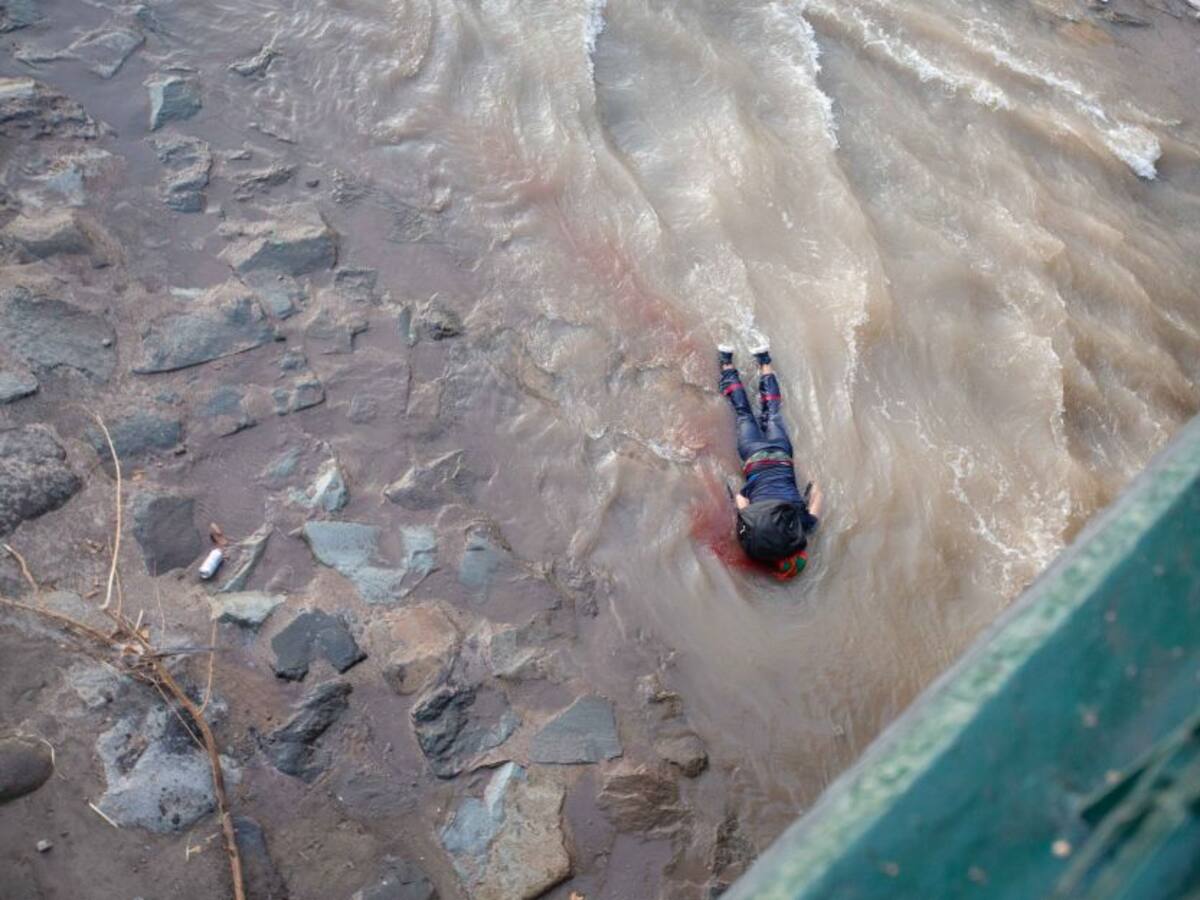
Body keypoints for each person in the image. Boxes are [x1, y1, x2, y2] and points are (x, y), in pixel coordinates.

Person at [719, 342, 823, 579]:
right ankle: (726, 361)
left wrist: (807, 474)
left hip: (782, 454)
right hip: (753, 457)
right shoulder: (755, 532)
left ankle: (764, 359)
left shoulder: (804, 525)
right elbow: (741, 499)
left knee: (773, 411)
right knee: (743, 413)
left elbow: (818, 492)